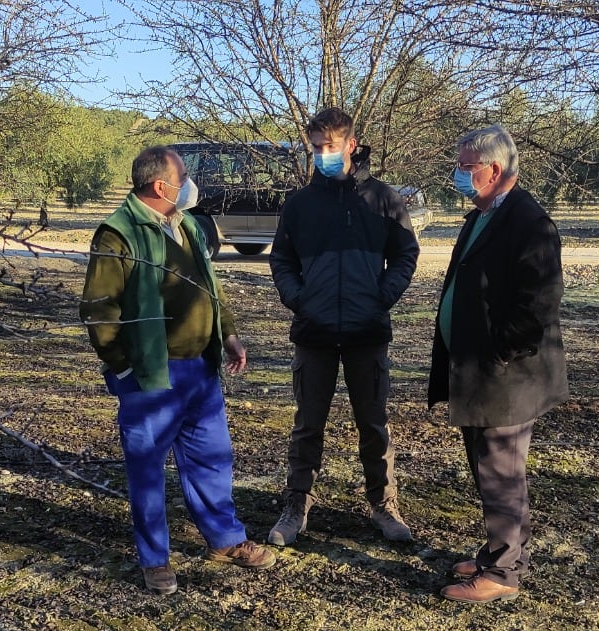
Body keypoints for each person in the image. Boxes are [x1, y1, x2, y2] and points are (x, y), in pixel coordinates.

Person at [80, 146, 275, 594]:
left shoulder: (184, 224)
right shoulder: (118, 234)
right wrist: (123, 368)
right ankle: (155, 559)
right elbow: (97, 309)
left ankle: (225, 540)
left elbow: (209, 285)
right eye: (183, 176)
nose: (190, 183)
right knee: (147, 471)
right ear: (160, 185)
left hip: (200, 371)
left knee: (211, 461)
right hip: (151, 376)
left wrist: (227, 333)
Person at [267, 107, 421, 545]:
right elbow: (282, 259)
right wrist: (298, 300)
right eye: (315, 147)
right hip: (313, 333)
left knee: (373, 422)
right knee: (307, 424)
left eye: (329, 147)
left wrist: (380, 297)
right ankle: (297, 502)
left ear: (351, 145)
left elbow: (406, 255)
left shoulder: (384, 199)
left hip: (365, 332)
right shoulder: (299, 204)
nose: (321, 155)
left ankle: (383, 503)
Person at [428, 125, 567, 603]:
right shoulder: (482, 215)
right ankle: (503, 554)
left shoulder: (529, 222)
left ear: (493, 170)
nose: (458, 176)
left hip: (506, 376)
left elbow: (539, 304)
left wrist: (499, 354)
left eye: (465, 168)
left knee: (500, 471)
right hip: (479, 371)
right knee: (492, 468)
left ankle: (502, 574)